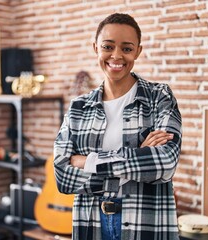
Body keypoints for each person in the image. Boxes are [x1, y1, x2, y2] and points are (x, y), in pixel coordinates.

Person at [54, 13, 182, 240]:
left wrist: (88, 161)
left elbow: (164, 164)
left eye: (126, 48)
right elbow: (62, 177)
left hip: (145, 223)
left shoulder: (159, 97)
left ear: (138, 51)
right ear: (95, 48)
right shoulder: (78, 107)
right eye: (108, 46)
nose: (116, 56)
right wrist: (139, 156)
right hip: (91, 223)